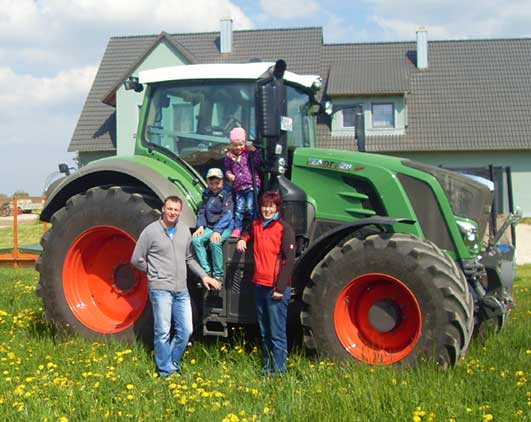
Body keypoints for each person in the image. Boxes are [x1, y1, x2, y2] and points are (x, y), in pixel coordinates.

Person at [131, 196, 220, 378]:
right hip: (160, 289)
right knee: (163, 331)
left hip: (181, 290)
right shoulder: (151, 231)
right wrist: (154, 273)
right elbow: (136, 259)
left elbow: (188, 258)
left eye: (176, 210)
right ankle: (165, 371)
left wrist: (204, 276)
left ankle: (171, 363)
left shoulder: (184, 231)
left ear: (180, 212)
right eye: (169, 209)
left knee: (186, 330)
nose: (172, 212)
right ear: (163, 209)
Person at [236, 191, 296, 375]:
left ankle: (278, 372)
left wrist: (280, 288)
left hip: (275, 289)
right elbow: (247, 230)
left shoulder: (284, 229)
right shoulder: (257, 225)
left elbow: (290, 259)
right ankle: (266, 368)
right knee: (264, 332)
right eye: (264, 206)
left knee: (277, 333)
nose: (267, 209)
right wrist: (242, 239)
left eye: (271, 206)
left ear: (277, 207)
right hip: (259, 286)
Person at [192, 168, 234, 283]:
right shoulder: (206, 194)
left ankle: (218, 274)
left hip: (224, 227)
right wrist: (200, 225)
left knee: (215, 242)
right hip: (210, 226)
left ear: (222, 181)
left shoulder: (227, 193)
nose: (214, 186)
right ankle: (206, 271)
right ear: (207, 182)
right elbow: (202, 210)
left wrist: (217, 230)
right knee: (196, 240)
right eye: (211, 183)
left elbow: (228, 214)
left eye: (217, 183)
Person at [224, 127, 261, 238]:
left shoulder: (248, 154)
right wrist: (228, 174)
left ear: (244, 143)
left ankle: (253, 227)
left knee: (250, 207)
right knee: (239, 209)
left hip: (250, 185)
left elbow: (257, 163)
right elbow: (228, 168)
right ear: (231, 144)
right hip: (239, 187)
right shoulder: (229, 156)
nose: (238, 147)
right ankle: (237, 228)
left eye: (241, 144)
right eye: (235, 145)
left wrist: (255, 152)